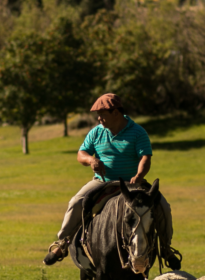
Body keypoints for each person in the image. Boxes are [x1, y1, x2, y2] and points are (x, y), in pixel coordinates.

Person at [44, 93, 180, 270]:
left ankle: (166, 248)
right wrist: (91, 160)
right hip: (103, 182)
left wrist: (139, 175)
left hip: (133, 184)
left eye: (102, 114)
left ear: (116, 112)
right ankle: (62, 243)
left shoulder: (137, 132)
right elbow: (81, 154)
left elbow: (145, 158)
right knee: (76, 201)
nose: (99, 118)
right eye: (97, 115)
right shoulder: (96, 132)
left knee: (163, 206)